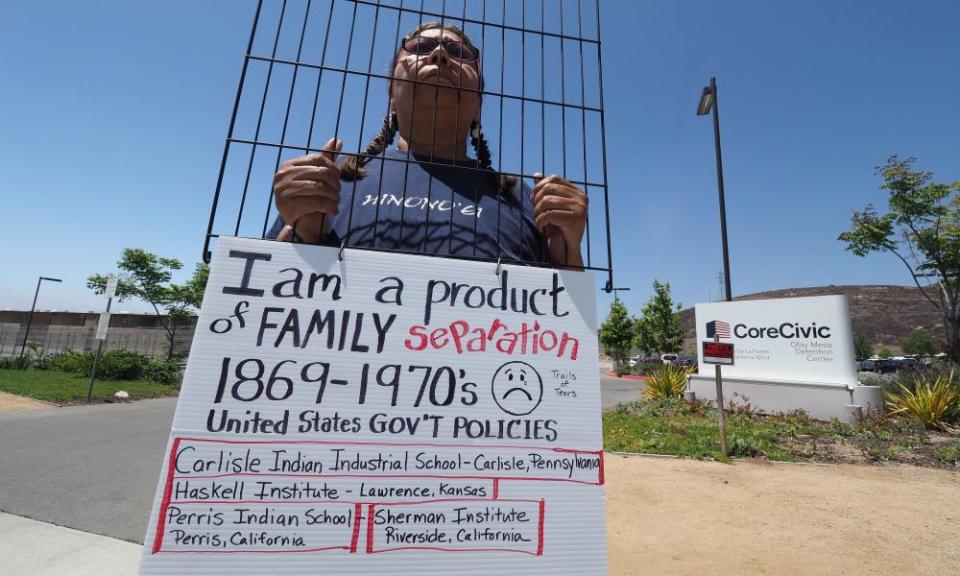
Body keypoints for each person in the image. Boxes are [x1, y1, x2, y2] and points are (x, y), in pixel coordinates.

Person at [269, 22, 587, 268]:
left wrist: (568, 259)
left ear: (478, 103)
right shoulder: (328, 184)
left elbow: (561, 325)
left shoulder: (530, 203)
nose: (440, 55)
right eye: (421, 47)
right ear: (392, 91)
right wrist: (301, 234)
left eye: (458, 52)